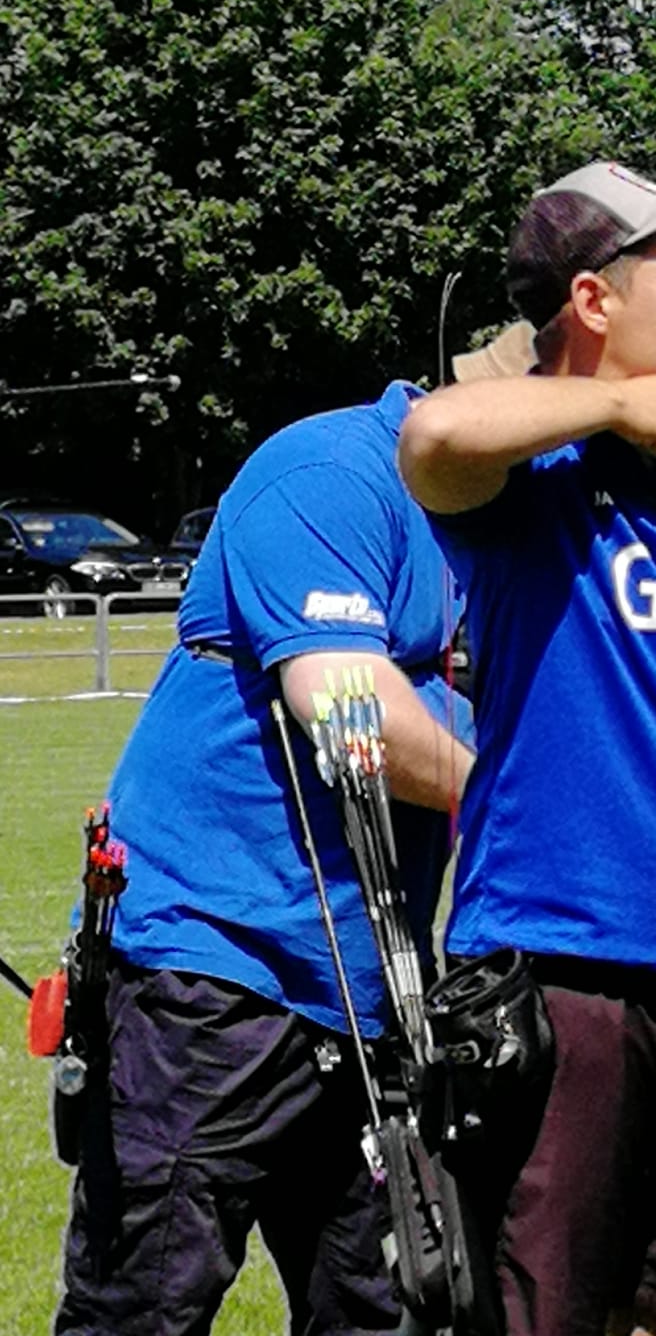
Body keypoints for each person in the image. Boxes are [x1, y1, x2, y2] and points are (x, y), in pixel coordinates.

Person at [399, 159, 656, 1336]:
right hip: (563, 974)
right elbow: (433, 433)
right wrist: (614, 409)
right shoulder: (533, 477)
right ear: (593, 300)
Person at [56, 378, 476, 1336]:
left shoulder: (511, 523)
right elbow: (352, 714)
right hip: (210, 984)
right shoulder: (330, 472)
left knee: (387, 1309)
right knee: (141, 1307)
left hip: (370, 1001)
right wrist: (525, 805)